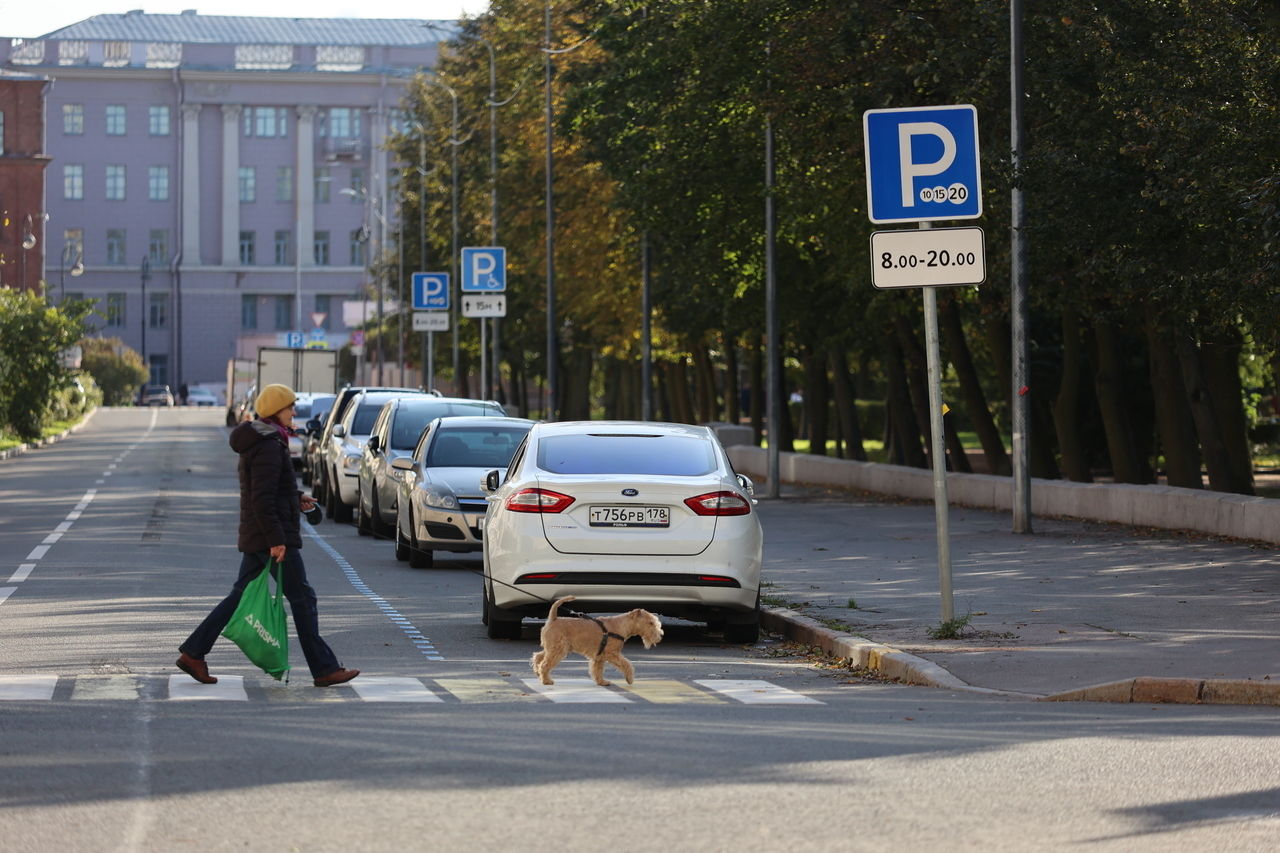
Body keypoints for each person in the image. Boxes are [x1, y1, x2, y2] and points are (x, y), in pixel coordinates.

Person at [176, 383, 359, 688]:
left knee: (239, 596)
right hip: (270, 537)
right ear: (277, 410)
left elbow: (269, 489)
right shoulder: (270, 445)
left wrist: (295, 496)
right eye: (290, 408)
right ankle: (324, 668)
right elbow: (261, 498)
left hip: (259, 533)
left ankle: (194, 653)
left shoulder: (264, 440)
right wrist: (277, 539)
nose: (294, 413)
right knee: (302, 598)